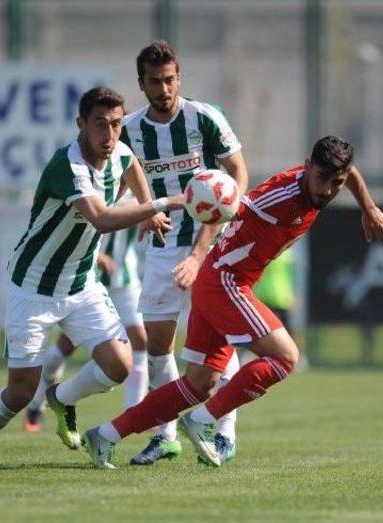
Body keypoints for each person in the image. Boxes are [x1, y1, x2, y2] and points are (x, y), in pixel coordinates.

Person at [80, 135, 383, 469]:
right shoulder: (280, 196)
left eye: (337, 182)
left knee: (198, 383)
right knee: (285, 357)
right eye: (322, 179)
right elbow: (230, 206)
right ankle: (202, 420)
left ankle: (107, 435)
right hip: (225, 282)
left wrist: (369, 206)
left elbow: (352, 173)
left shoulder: (323, 182)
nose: (329, 190)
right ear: (306, 167)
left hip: (216, 282)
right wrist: (192, 207)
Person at [0, 86, 185, 469]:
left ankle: (62, 398)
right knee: (20, 391)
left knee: (119, 365)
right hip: (33, 287)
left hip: (81, 285)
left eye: (116, 124)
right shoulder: (68, 167)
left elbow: (133, 166)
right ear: (81, 124)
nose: (110, 134)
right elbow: (100, 218)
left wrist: (146, 208)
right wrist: (161, 204)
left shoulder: (118, 154)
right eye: (100, 124)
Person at [120, 39, 249, 465]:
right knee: (158, 346)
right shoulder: (131, 130)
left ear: (180, 79)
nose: (164, 88)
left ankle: (224, 432)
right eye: (155, 81)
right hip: (162, 248)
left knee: (217, 340)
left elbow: (238, 173)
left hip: (212, 246)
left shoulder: (204, 117)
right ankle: (165, 434)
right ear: (142, 83)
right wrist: (138, 212)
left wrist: (215, 227)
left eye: (170, 79)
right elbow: (122, 184)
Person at [22, 192, 149, 432]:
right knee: (63, 349)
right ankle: (37, 403)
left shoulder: (141, 187)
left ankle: (136, 411)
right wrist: (97, 254)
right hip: (90, 278)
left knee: (140, 340)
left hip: (125, 279)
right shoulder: (98, 185)